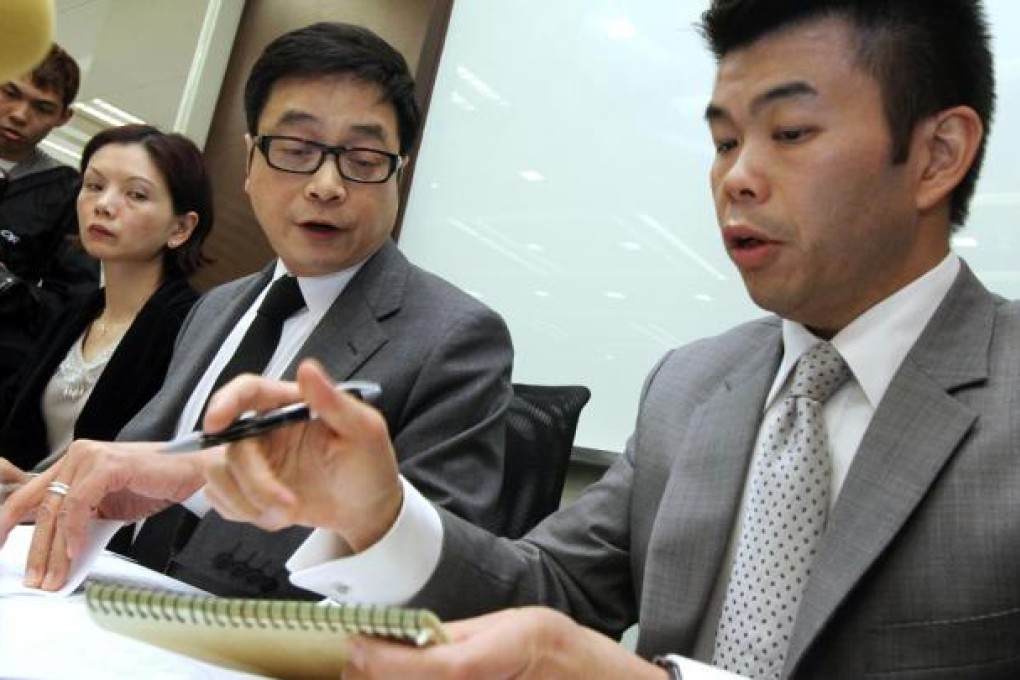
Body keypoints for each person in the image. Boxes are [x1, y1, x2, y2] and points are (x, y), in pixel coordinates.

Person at [96, 0, 1015, 678]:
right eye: (725, 139)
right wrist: (379, 514)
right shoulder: (696, 385)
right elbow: (550, 593)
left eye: (791, 131)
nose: (737, 177)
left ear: (937, 154)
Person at [0, 22, 513, 598]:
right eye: (295, 151)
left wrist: (201, 481)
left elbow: (443, 576)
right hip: (105, 598)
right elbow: (141, 463)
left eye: (364, 159)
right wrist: (41, 489)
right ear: (250, 163)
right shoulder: (218, 307)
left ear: (399, 170)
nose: (325, 185)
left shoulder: (455, 336)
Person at [0, 124, 213, 492]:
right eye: (94, 186)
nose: (104, 205)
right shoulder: (76, 312)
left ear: (180, 228)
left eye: (136, 194)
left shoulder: (189, 328)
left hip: (97, 528)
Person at [0, 44, 100, 384]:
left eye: (42, 108)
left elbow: (71, 304)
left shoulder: (70, 193)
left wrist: (6, 286)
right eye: (9, 93)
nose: (19, 114)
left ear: (63, 117)